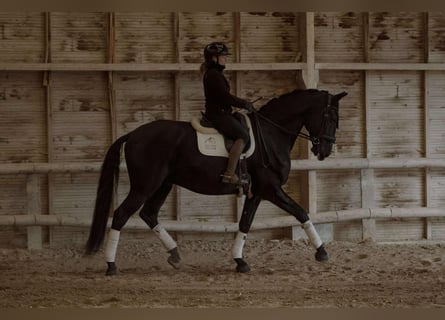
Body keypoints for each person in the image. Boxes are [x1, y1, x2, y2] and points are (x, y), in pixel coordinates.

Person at [200, 42, 254, 185]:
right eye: (222, 56)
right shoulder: (213, 75)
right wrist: (244, 103)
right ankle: (229, 174)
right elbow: (225, 97)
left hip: (222, 112)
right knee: (243, 135)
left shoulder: (215, 74)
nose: (225, 59)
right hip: (218, 115)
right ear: (213, 58)